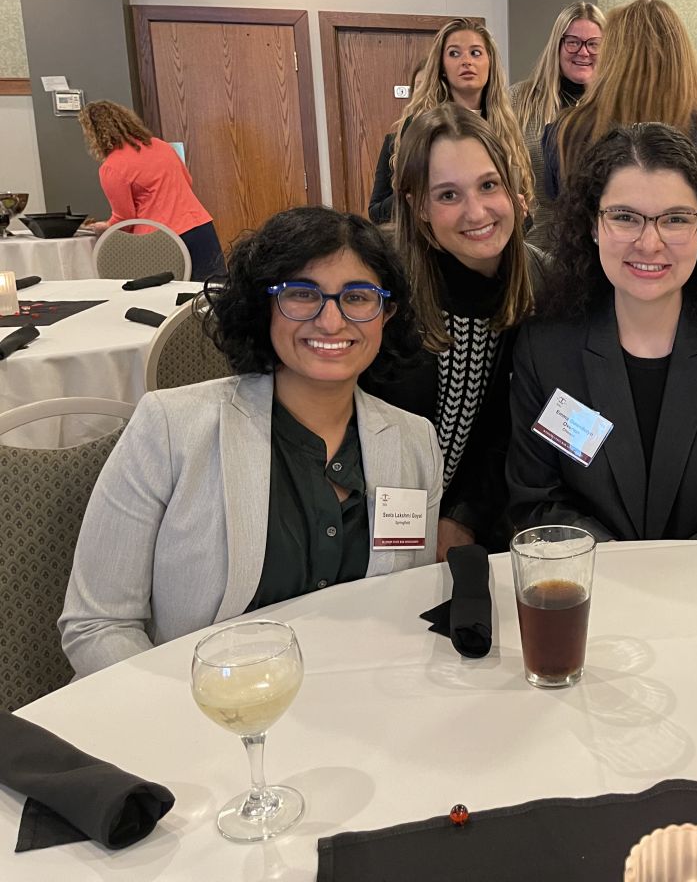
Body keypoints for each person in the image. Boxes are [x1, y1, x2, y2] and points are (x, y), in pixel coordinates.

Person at [60, 206, 443, 676]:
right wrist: (185, 710)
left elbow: (404, 605)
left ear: (386, 314)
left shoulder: (415, 444)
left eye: (358, 297)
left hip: (358, 699)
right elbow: (97, 625)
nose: (331, 321)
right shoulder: (170, 428)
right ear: (264, 306)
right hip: (193, 705)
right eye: (302, 294)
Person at [508, 122, 697, 541]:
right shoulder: (544, 349)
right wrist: (621, 567)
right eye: (625, 217)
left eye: (675, 219)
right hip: (592, 577)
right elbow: (537, 499)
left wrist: (671, 574)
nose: (649, 243)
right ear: (592, 225)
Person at [362, 104, 539, 560]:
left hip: (491, 520)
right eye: (447, 195)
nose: (476, 212)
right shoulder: (383, 292)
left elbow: (522, 428)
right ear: (418, 206)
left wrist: (464, 517)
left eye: (488, 185)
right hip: (374, 518)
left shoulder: (544, 288)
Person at [544, 0, 697, 254]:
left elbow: (565, 221)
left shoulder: (565, 133)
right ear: (681, 60)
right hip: (683, 277)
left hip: (588, 276)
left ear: (609, 57)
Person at [368, 19, 534, 227]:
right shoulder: (421, 126)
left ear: (490, 62)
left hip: (494, 241)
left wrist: (518, 214)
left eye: (475, 53)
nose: (466, 61)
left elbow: (519, 210)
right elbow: (402, 206)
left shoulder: (505, 126)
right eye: (454, 53)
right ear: (442, 67)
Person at [78, 100, 225, 280]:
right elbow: (187, 180)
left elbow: (125, 218)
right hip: (200, 226)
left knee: (166, 295)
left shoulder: (112, 167)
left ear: (94, 135)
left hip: (159, 240)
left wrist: (105, 227)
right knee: (214, 289)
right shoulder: (161, 146)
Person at [510, 1, 606, 250]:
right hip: (536, 246)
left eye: (594, 44)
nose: (583, 52)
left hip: (599, 249)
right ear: (558, 45)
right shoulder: (519, 100)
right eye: (573, 42)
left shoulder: (616, 106)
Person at [367, 55, 430, 224]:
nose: (424, 94)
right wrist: (409, 194)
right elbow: (375, 212)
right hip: (406, 235)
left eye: (430, 86)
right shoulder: (392, 142)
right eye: (418, 86)